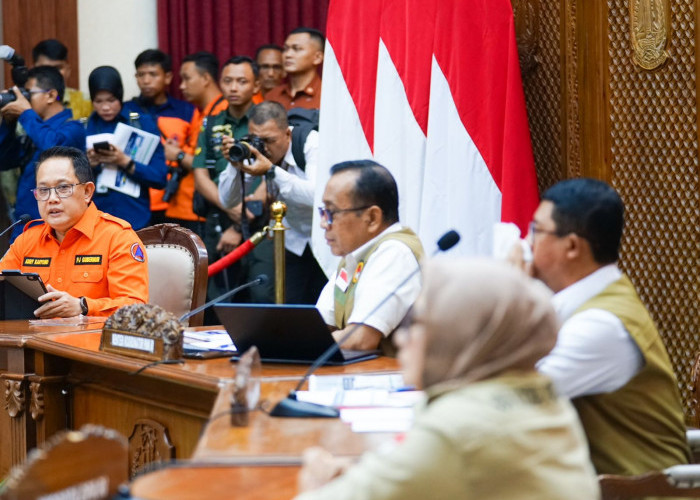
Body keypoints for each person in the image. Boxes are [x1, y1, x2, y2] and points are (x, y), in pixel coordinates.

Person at [296, 258, 600, 500]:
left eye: (419, 324)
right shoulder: (542, 395)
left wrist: (317, 484)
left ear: (460, 336)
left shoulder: (457, 428)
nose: (402, 339)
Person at [517, 178, 689, 475]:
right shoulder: (588, 299)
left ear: (571, 246)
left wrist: (510, 290)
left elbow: (512, 400)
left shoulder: (601, 325)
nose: (527, 244)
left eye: (536, 231)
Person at [0, 146, 148, 318]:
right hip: (33, 341)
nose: (52, 199)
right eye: (43, 190)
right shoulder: (27, 240)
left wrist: (83, 306)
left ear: (87, 192)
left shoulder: (118, 238)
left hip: (89, 343)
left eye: (63, 188)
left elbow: (136, 309)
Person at [218, 101, 327, 303]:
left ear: (288, 134)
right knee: (291, 305)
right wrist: (234, 165)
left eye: (269, 140)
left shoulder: (312, 143)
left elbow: (317, 196)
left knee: (325, 308)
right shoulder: (256, 148)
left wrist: (271, 171)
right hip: (293, 239)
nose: (263, 148)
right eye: (256, 140)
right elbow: (227, 199)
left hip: (325, 238)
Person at [316, 160, 423, 352]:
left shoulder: (396, 253)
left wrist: (297, 344)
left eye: (331, 212)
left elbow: (360, 338)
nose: (324, 223)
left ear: (372, 218)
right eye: (323, 212)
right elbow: (319, 325)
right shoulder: (355, 256)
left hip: (400, 378)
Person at [192, 56, 274, 304]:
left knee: (260, 295)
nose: (233, 88)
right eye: (228, 81)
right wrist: (230, 208)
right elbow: (200, 175)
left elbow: (273, 172)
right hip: (218, 218)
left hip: (259, 222)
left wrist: (240, 222)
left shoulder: (266, 122)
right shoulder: (211, 123)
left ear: (256, 86)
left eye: (242, 81)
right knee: (216, 301)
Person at [0, 65, 86, 242]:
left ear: (51, 95)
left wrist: (26, 113)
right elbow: (4, 161)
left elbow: (52, 148)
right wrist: (8, 125)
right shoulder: (33, 130)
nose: (24, 99)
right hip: (25, 226)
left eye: (29, 94)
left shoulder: (73, 128)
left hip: (57, 230)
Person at [85, 66, 168, 231]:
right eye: (98, 101)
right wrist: (89, 166)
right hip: (94, 221)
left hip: (135, 219)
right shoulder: (83, 128)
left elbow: (160, 178)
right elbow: (70, 184)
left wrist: (125, 161)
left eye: (111, 100)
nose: (105, 107)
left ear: (120, 96)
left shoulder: (142, 123)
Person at [124, 49, 195, 226]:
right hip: (136, 199)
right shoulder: (124, 110)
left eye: (153, 74)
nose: (146, 80)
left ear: (168, 77)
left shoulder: (186, 111)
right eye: (141, 75)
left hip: (175, 201)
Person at [162, 51, 227, 233]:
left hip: (203, 208)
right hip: (184, 205)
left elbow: (213, 164)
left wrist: (178, 155)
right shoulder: (200, 112)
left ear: (206, 78)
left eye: (187, 78)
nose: (181, 86)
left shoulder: (222, 112)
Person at [31, 39, 92, 120]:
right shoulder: (24, 103)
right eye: (46, 68)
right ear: (33, 70)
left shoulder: (86, 102)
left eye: (58, 68)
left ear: (68, 70)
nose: (52, 74)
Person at [265, 27, 324, 110]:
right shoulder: (272, 96)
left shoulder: (328, 96)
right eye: (285, 49)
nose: (288, 55)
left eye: (297, 49)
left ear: (317, 58)